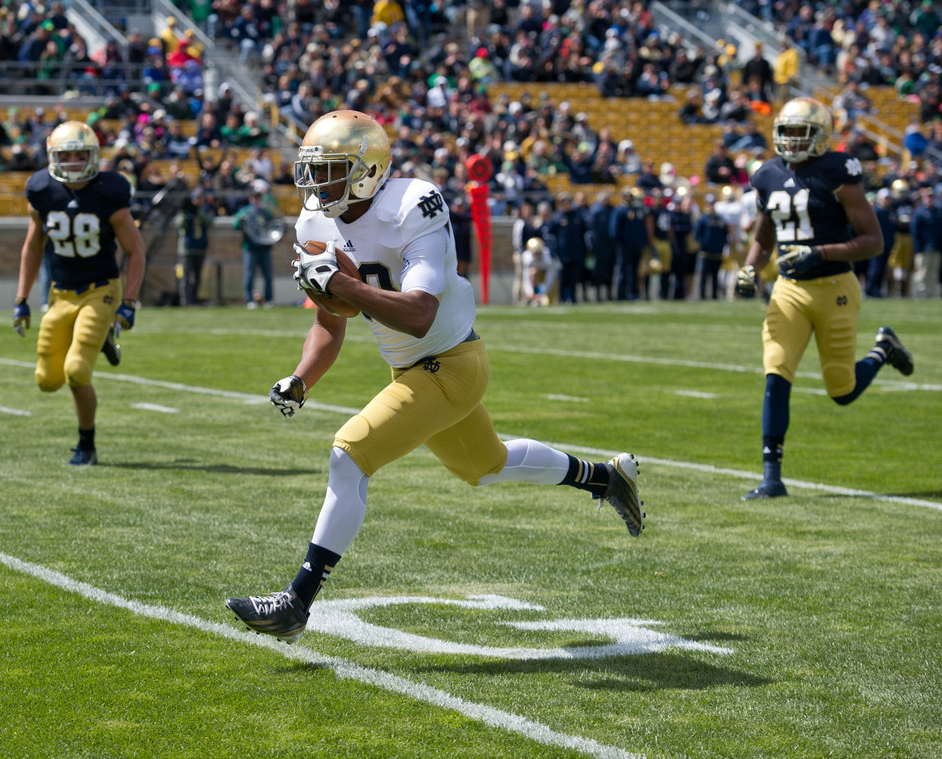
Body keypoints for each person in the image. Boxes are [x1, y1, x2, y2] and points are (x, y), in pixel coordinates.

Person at [225, 111, 645, 643]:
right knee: (487, 467)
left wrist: (345, 285)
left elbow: (420, 312)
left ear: (367, 170)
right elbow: (328, 322)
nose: (316, 183)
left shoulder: (412, 205)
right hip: (412, 367)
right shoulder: (314, 222)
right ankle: (607, 478)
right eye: (313, 170)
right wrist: (302, 378)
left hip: (452, 363)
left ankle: (296, 602)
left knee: (349, 454)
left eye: (330, 170)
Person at [734, 98, 914, 500]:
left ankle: (883, 349)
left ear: (820, 135)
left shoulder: (838, 172)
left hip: (835, 287)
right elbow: (763, 240)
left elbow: (873, 242)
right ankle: (771, 477)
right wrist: (749, 268)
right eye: (786, 131)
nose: (792, 141)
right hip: (789, 290)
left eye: (801, 132)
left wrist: (821, 252)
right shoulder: (767, 175)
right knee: (776, 371)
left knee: (842, 391)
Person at [12, 121, 146, 466]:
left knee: (76, 371)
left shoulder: (108, 191)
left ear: (94, 157)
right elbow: (32, 246)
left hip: (100, 289)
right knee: (46, 380)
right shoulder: (41, 189)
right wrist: (21, 299)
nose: (72, 162)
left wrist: (129, 302)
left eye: (80, 155)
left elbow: (135, 250)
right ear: (52, 157)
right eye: (66, 155)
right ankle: (104, 338)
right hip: (60, 293)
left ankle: (86, 444)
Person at [233, 185, 284, 308]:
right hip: (251, 248)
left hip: (264, 247)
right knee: (249, 275)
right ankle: (249, 299)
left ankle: (269, 299)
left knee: (268, 275)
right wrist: (241, 221)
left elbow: (274, 225)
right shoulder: (244, 211)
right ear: (251, 198)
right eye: (255, 197)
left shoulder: (266, 211)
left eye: (259, 197)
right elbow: (235, 225)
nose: (257, 199)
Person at [175, 188, 215, 306]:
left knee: (197, 277)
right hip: (186, 249)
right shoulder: (185, 211)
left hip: (200, 248)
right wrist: (185, 211)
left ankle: (194, 299)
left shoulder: (204, 210)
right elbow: (179, 224)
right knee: (185, 277)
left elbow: (209, 223)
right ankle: (185, 301)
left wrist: (199, 211)